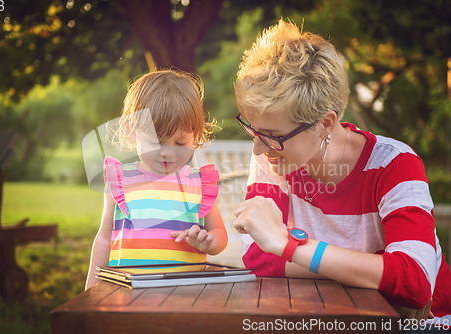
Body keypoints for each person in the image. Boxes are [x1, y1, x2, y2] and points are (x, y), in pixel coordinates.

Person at [232, 20, 451, 326]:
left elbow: (415, 282)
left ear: (324, 124)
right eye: (253, 130)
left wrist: (288, 245)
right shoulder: (275, 157)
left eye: (271, 135)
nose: (257, 149)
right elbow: (258, 255)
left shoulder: (395, 164)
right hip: (336, 315)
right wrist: (379, 275)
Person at [86, 69, 228, 290]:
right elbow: (105, 238)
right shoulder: (121, 180)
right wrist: (91, 291)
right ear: (133, 132)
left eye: (180, 143)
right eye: (156, 141)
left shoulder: (199, 185)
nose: (167, 152)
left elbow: (219, 234)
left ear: (196, 136)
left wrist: (208, 242)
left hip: (186, 295)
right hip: (127, 294)